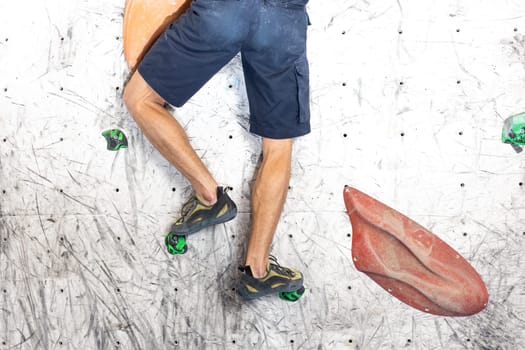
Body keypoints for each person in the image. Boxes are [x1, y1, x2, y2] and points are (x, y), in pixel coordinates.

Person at [123, 0, 310, 300]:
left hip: (224, 12)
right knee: (278, 148)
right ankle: (257, 270)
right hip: (282, 22)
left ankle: (209, 195)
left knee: (140, 99)